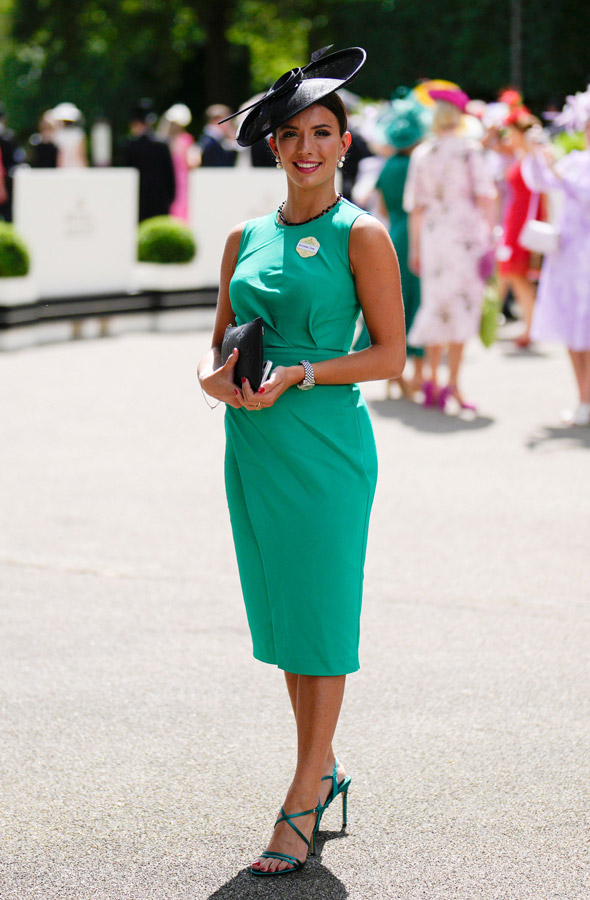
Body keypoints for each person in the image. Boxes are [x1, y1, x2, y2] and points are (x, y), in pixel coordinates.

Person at [197, 46, 405, 877]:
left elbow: (391, 353)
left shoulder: (363, 234)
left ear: (345, 144)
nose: (308, 147)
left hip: (323, 447)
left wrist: (305, 372)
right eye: (292, 134)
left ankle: (301, 798)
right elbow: (217, 340)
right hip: (253, 443)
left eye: (324, 132)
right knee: (289, 625)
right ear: (274, 147)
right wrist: (219, 382)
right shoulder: (242, 235)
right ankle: (322, 767)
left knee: (320, 624)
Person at [404, 87, 496, 411]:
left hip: (433, 235)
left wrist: (415, 248)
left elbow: (414, 206)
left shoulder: (422, 153)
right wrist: (491, 238)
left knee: (436, 306)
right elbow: (486, 195)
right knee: (462, 309)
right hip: (464, 235)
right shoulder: (469, 150)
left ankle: (431, 379)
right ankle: (453, 384)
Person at [522, 86, 590, 426]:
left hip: (585, 257)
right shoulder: (576, 161)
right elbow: (541, 182)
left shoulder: (574, 167)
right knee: (575, 333)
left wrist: (557, 172)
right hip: (568, 255)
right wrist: (536, 154)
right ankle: (583, 398)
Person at [376, 90, 430, 398]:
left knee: (393, 305)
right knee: (418, 300)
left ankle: (391, 375)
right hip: (418, 236)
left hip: (394, 235)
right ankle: (418, 374)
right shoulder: (418, 166)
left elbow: (381, 209)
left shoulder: (385, 168)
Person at [496, 108, 544, 347]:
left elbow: (542, 194)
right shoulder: (522, 157)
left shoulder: (534, 158)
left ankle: (532, 328)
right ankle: (530, 327)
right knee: (513, 276)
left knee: (518, 276)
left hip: (524, 223)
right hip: (515, 221)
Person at [120, 100, 176, 222]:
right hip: (160, 201)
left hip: (137, 201)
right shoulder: (162, 144)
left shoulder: (129, 146)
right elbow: (170, 176)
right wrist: (169, 198)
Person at [159, 103, 201, 221]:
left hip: (167, 177)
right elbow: (193, 162)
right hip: (182, 178)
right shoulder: (185, 139)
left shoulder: (164, 141)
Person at [52, 103, 88, 168]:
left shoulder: (59, 134)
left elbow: (60, 155)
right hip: (77, 166)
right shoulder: (78, 133)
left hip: (64, 167)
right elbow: (81, 154)